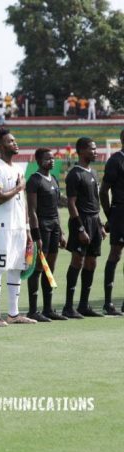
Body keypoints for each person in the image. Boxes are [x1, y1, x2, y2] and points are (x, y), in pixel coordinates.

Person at [0, 129, 36, 326]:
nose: (15, 143)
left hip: (18, 228)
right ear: (0, 146)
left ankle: (13, 314)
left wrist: (27, 229)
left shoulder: (18, 169)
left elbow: (21, 202)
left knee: (16, 268)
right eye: (10, 141)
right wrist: (18, 187)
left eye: (15, 140)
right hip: (3, 227)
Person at [62, 138, 107, 318]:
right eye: (92, 149)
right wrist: (80, 228)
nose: (95, 152)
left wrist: (100, 225)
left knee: (91, 261)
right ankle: (67, 306)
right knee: (77, 261)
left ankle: (83, 305)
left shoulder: (94, 173)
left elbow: (95, 201)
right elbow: (71, 204)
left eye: (96, 149)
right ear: (81, 151)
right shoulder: (74, 174)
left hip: (94, 221)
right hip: (80, 221)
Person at [26, 149, 68, 321]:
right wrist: (36, 236)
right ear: (38, 161)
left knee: (50, 266)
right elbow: (32, 210)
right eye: (47, 159)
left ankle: (48, 309)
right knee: (38, 267)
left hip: (54, 226)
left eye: (52, 158)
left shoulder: (54, 179)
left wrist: (62, 232)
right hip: (41, 225)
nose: (51, 161)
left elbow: (56, 208)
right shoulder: (34, 180)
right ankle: (33, 310)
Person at [100, 129, 124, 315]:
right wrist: (110, 216)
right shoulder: (116, 160)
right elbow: (104, 191)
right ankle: (108, 303)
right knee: (115, 254)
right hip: (120, 212)